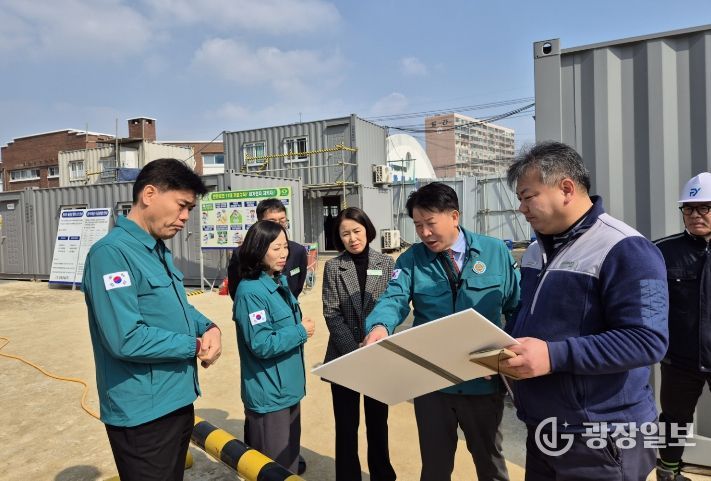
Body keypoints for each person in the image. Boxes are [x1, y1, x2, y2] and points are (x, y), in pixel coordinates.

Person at [503, 141, 669, 481]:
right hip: (544, 427)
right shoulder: (535, 252)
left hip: (603, 435)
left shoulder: (625, 248)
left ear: (566, 189)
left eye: (528, 196)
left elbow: (647, 340)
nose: (521, 208)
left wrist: (553, 356)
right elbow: (529, 317)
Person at [363, 182, 520, 481]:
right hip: (431, 383)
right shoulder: (411, 260)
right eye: (417, 225)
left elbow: (517, 307)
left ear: (454, 216)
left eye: (430, 223)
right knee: (435, 467)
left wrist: (507, 354)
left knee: (490, 463)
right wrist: (380, 326)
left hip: (482, 381)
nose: (424, 233)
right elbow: (394, 297)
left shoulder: (495, 252)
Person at [82, 158, 222, 481]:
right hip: (144, 415)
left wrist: (209, 327)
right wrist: (194, 345)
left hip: (176, 401)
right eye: (182, 206)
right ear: (149, 194)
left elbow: (175, 307)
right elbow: (126, 338)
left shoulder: (156, 250)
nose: (186, 217)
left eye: (190, 209)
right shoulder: (111, 254)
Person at [227, 198, 309, 474]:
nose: (284, 254)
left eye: (285, 246)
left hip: (287, 389)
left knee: (288, 462)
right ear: (259, 250)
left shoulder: (278, 281)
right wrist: (301, 331)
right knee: (271, 466)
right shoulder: (251, 293)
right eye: (276, 248)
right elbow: (262, 343)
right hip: (270, 393)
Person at [322, 207, 397, 481]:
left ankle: (382, 475)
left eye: (357, 231)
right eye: (345, 234)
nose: (352, 238)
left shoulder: (386, 264)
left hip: (377, 356)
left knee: (378, 423)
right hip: (344, 357)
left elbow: (392, 305)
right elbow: (331, 312)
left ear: (367, 230)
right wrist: (355, 354)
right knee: (346, 426)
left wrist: (372, 347)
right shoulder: (333, 267)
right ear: (338, 237)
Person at [653, 172, 711, 481]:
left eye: (704, 207)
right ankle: (668, 472)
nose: (695, 214)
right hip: (679, 360)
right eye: (689, 208)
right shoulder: (662, 252)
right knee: (674, 421)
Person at [228, 198, 307, 300]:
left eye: (282, 220)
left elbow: (298, 286)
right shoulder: (242, 253)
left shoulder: (298, 250)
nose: (278, 225)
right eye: (272, 222)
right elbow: (236, 290)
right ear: (259, 223)